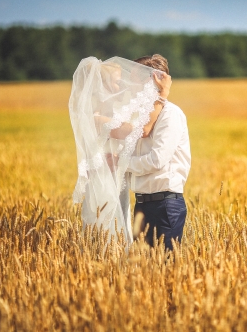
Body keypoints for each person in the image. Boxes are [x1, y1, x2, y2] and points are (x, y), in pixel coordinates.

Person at [69, 56, 173, 244]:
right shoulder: (97, 118)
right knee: (108, 235)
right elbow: (142, 130)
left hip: (117, 183)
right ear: (102, 86)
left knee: (119, 232)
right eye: (118, 82)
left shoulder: (112, 114)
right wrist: (162, 96)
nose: (123, 86)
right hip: (105, 184)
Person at [127, 54, 191, 251]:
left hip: (164, 206)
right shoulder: (141, 119)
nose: (129, 85)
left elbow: (157, 160)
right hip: (141, 206)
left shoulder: (170, 114)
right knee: (145, 274)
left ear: (152, 80)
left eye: (134, 79)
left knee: (165, 271)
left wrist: (122, 163)